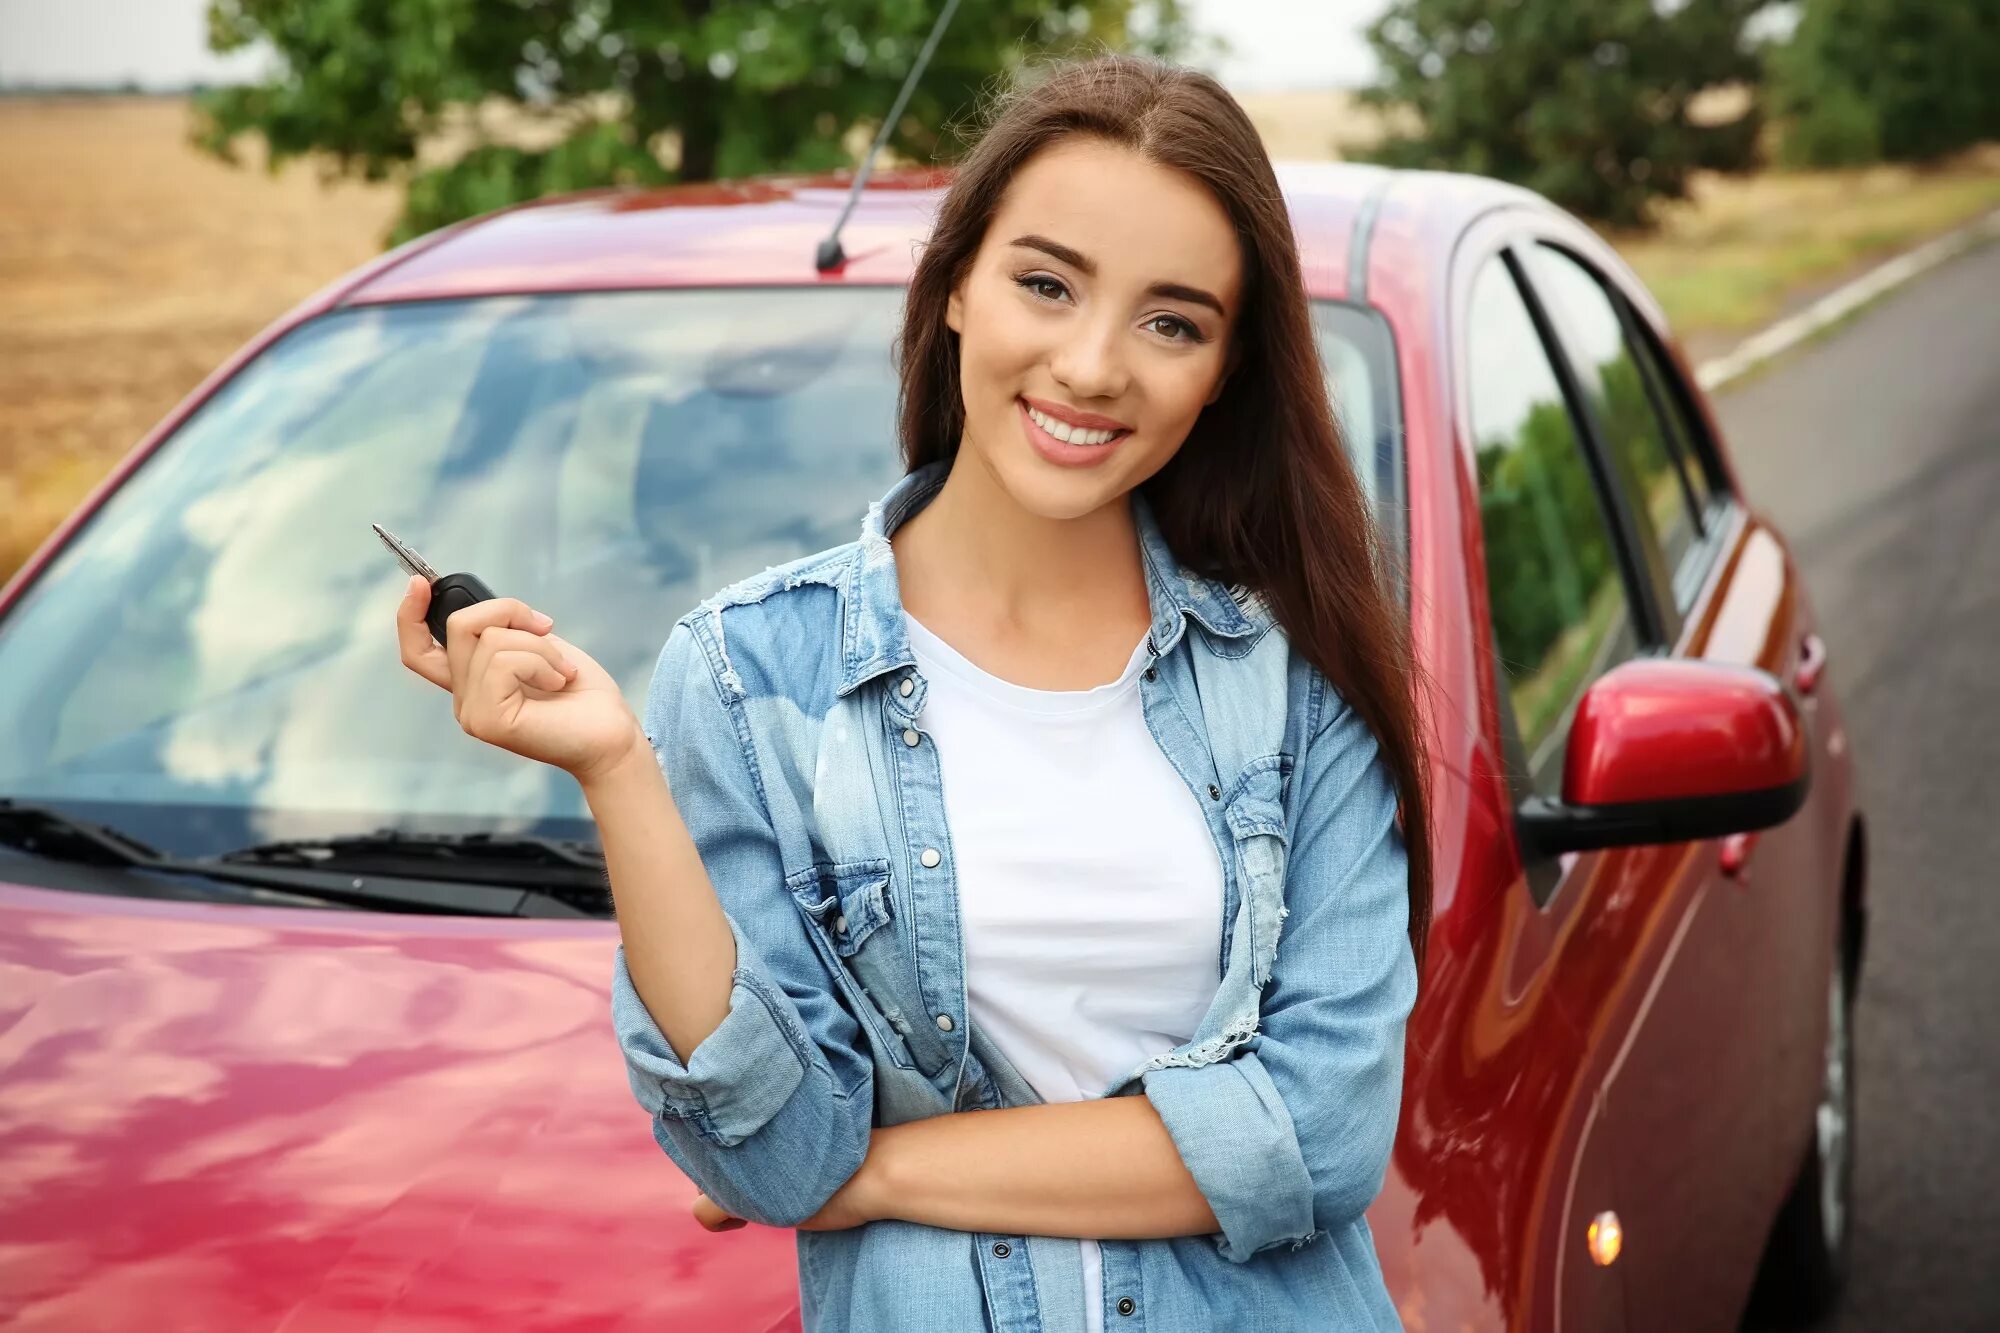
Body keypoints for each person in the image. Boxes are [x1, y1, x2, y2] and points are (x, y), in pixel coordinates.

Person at [395, 52, 1431, 1333]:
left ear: (1223, 369)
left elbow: (1321, 1135)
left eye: (1171, 321)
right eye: (1044, 284)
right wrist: (617, 769)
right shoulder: (746, 678)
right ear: (952, 288)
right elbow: (774, 1157)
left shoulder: (1295, 679)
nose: (1094, 364)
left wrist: (876, 1170)